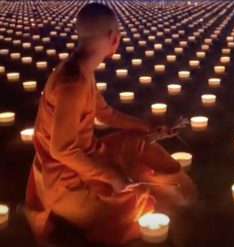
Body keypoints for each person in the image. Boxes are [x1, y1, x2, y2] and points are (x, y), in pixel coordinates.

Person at [25, 3, 197, 246]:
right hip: (64, 179)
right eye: (118, 33)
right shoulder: (71, 83)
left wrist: (148, 128)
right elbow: (62, 150)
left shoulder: (83, 70)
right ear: (112, 37)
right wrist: (111, 175)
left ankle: (177, 190)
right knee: (133, 205)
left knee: (136, 142)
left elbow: (106, 114)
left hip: (85, 155)